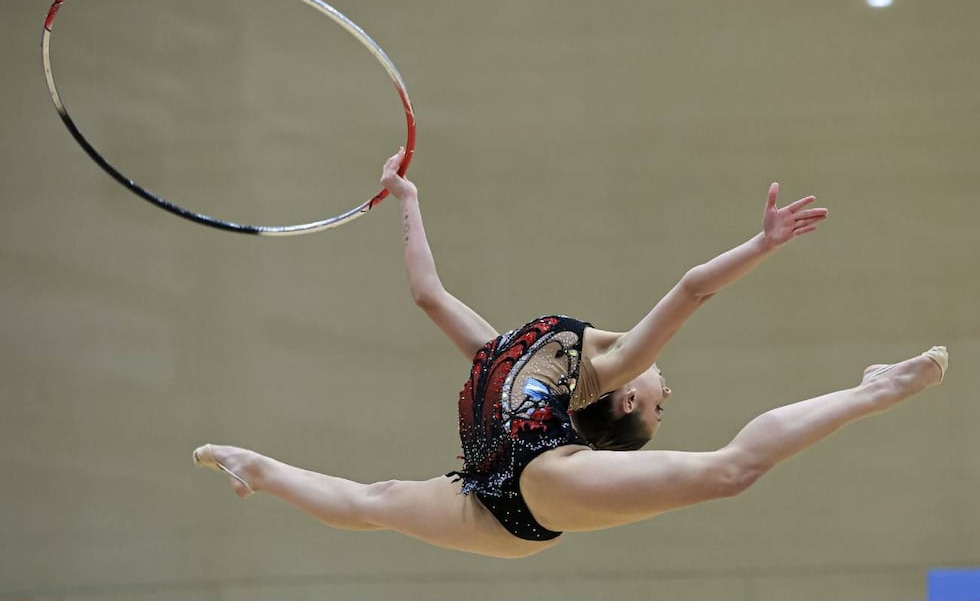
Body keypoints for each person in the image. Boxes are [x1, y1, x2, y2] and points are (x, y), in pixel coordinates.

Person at [193, 148, 948, 559]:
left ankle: (872, 389)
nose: (665, 392)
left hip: (531, 484)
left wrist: (761, 243)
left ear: (622, 399)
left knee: (729, 473)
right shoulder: (506, 357)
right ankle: (259, 469)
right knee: (372, 502)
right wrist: (409, 200)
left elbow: (690, 290)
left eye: (657, 401)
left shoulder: (603, 368)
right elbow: (428, 292)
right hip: (492, 508)